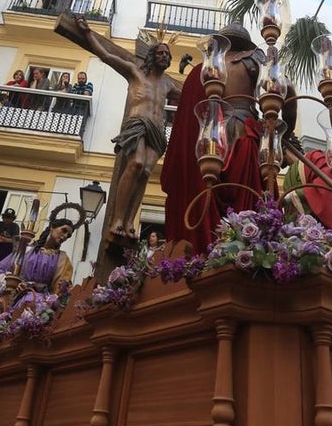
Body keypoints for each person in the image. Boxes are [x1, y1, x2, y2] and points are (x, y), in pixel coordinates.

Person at [162, 23, 296, 255]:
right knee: (252, 199)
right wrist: (285, 132)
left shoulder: (204, 69)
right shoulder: (255, 59)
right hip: (245, 133)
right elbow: (289, 92)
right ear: (246, 44)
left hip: (210, 140)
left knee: (211, 190)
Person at [76, 18, 182, 245]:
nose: (165, 57)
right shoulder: (135, 72)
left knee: (144, 172)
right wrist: (87, 34)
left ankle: (129, 222)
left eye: (168, 55)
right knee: (135, 164)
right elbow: (106, 55)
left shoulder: (168, 84)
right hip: (137, 123)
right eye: (161, 53)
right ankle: (117, 219)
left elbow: (191, 95)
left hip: (157, 132)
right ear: (153, 56)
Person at [0, 206, 76, 300]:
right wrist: (13, 283)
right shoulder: (26, 250)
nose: (65, 236)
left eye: (69, 235)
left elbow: (61, 290)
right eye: (64, 230)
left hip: (41, 300)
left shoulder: (63, 260)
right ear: (52, 228)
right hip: (16, 295)